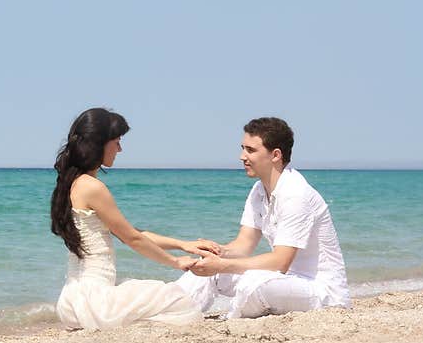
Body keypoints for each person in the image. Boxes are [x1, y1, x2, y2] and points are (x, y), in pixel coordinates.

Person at [50, 107, 217, 330]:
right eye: (117, 141)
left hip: (73, 302)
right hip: (96, 303)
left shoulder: (72, 183)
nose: (120, 149)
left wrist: (183, 245)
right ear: (99, 143)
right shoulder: (93, 187)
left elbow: (133, 233)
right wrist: (176, 262)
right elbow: (132, 239)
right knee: (177, 300)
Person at [176, 117, 350, 319]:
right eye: (243, 148)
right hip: (284, 281)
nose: (242, 156)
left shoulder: (296, 194)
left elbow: (280, 261)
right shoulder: (259, 190)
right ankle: (168, 310)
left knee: (254, 282)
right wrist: (218, 252)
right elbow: (244, 245)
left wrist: (222, 264)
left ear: (275, 155)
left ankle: (231, 319)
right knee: (207, 268)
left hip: (321, 292)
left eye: (250, 150)